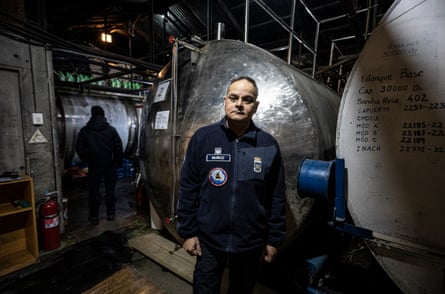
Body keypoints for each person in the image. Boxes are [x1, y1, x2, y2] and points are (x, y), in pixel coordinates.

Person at [176, 76, 286, 293]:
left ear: (255, 106)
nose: (239, 104)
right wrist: (188, 232)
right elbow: (188, 186)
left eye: (247, 99)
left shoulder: (267, 145)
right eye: (234, 97)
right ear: (225, 101)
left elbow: (276, 195)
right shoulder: (203, 138)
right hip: (209, 240)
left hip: (251, 242)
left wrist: (274, 239)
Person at [75, 105, 123, 225]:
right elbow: (118, 147)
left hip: (94, 165)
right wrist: (118, 162)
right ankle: (110, 215)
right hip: (109, 164)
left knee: (93, 192)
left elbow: (79, 148)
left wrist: (87, 159)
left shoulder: (85, 131)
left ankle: (94, 217)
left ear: (92, 115)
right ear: (103, 115)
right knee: (110, 191)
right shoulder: (111, 130)